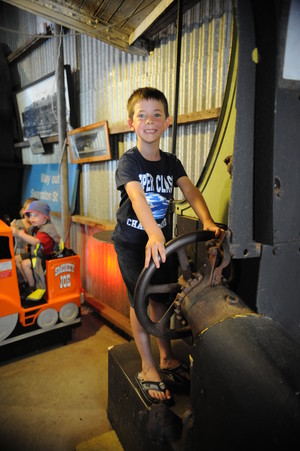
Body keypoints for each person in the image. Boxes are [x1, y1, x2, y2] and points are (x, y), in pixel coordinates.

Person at [112, 87, 222, 405]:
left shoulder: (172, 163)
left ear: (167, 121)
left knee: (163, 300)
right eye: (142, 115)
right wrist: (154, 234)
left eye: (156, 114)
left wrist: (208, 221)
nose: (150, 121)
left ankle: (166, 358)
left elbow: (191, 191)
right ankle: (147, 368)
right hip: (134, 244)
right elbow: (136, 196)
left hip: (160, 245)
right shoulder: (129, 161)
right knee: (140, 301)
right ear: (131, 122)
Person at [11, 200, 61, 296]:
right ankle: (26, 281)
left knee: (25, 264)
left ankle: (32, 287)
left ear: (45, 217)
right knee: (16, 259)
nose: (32, 218)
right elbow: (26, 232)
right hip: (37, 253)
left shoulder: (46, 230)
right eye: (31, 215)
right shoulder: (36, 226)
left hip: (45, 257)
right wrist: (13, 230)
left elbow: (35, 241)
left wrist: (18, 233)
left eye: (36, 215)